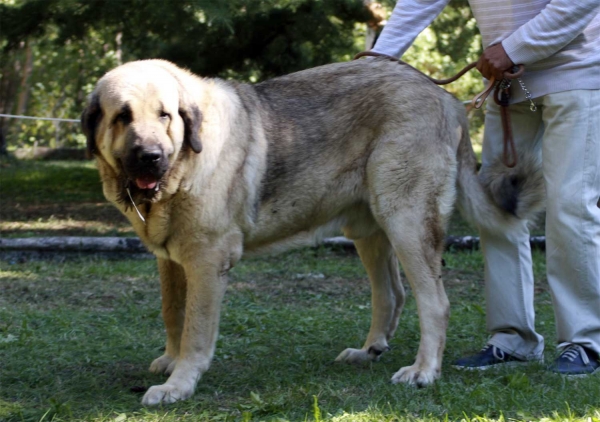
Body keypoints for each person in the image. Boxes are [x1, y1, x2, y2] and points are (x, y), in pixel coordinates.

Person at [370, 0, 600, 375]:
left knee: (571, 207)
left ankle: (585, 342)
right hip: (508, 83)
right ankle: (511, 339)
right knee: (497, 208)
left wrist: (512, 48)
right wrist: (376, 61)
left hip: (578, 74)